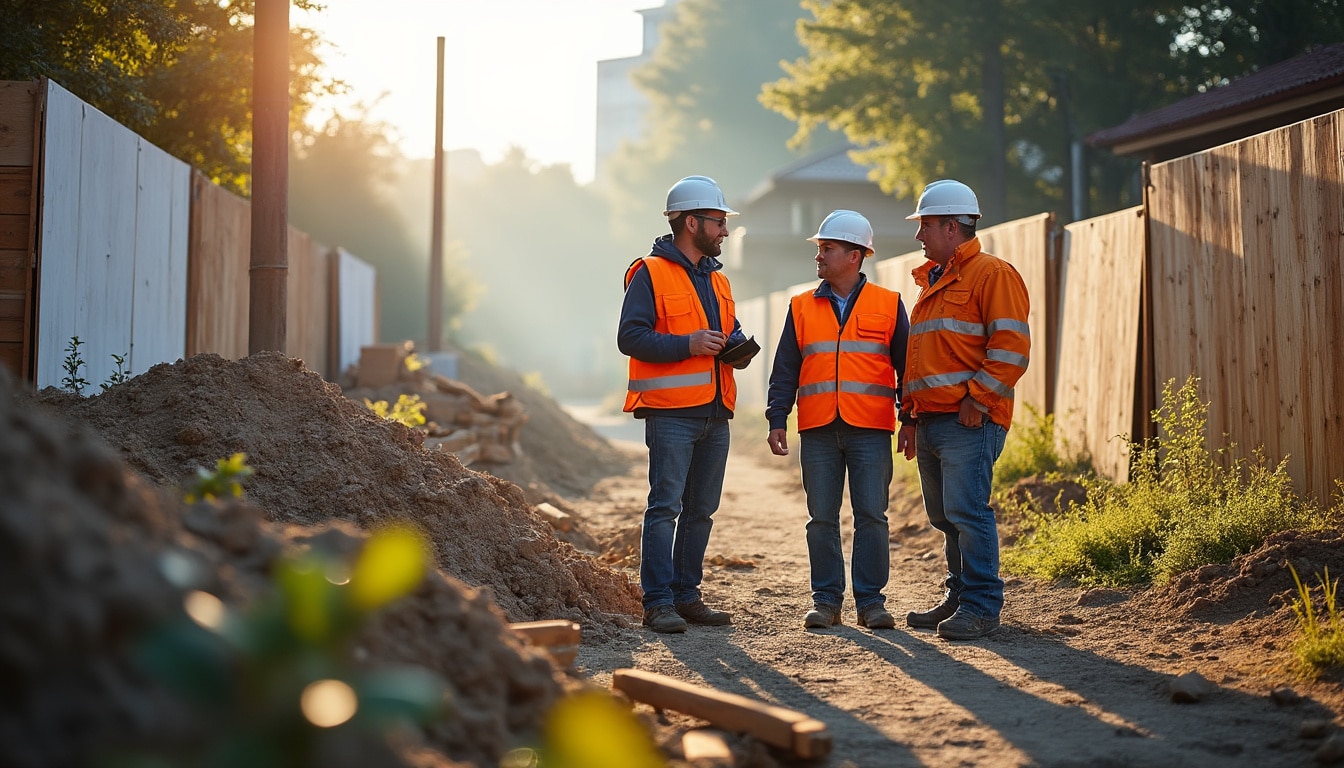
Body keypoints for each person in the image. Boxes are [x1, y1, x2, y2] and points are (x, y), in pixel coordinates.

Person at [618, 175, 758, 634]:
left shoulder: (718, 280)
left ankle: (686, 595)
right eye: (718, 222)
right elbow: (630, 337)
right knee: (665, 507)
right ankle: (658, 602)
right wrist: (689, 343)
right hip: (672, 413)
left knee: (701, 510)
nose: (725, 231)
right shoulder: (648, 272)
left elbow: (726, 332)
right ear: (691, 221)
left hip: (716, 411)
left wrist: (733, 347)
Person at [898, 180, 1031, 641]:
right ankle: (960, 597)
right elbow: (923, 359)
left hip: (969, 420)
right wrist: (911, 417)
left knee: (968, 512)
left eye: (926, 226)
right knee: (944, 516)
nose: (919, 236)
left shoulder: (993, 274)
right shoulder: (934, 280)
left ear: (952, 227)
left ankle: (981, 606)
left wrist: (978, 399)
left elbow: (1012, 348)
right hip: (934, 421)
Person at [766, 210, 910, 631]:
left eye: (827, 248)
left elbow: (907, 369)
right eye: (819, 249)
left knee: (872, 517)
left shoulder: (888, 305)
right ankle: (827, 601)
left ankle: (871, 603)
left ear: (855, 255)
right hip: (818, 430)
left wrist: (911, 419)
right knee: (821, 518)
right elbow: (785, 368)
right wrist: (778, 417)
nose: (819, 256)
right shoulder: (800, 307)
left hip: (871, 429)